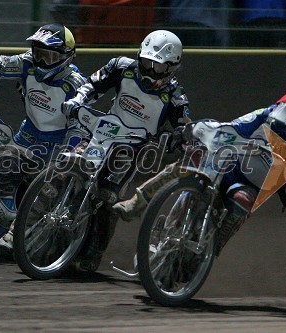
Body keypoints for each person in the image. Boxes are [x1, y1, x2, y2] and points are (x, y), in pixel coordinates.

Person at [113, 90, 286, 252]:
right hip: (228, 163)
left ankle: (210, 250)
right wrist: (201, 129)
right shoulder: (264, 115)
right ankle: (138, 202)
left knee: (243, 201)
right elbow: (232, 126)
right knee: (190, 161)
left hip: (249, 185)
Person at [62, 30, 191, 271]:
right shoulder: (120, 66)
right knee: (69, 164)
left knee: (107, 196)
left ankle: (94, 250)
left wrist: (179, 140)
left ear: (173, 67)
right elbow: (92, 85)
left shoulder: (175, 96)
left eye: (158, 67)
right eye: (146, 62)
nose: (150, 70)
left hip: (132, 149)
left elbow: (182, 127)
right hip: (103, 133)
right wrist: (77, 101)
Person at [0, 23, 87, 253]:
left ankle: (17, 232)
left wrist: (66, 157)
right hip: (26, 134)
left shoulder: (76, 85)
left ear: (66, 57)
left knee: (46, 191)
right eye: (38, 53)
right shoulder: (27, 63)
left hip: (56, 146)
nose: (41, 61)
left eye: (49, 56)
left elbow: (80, 128)